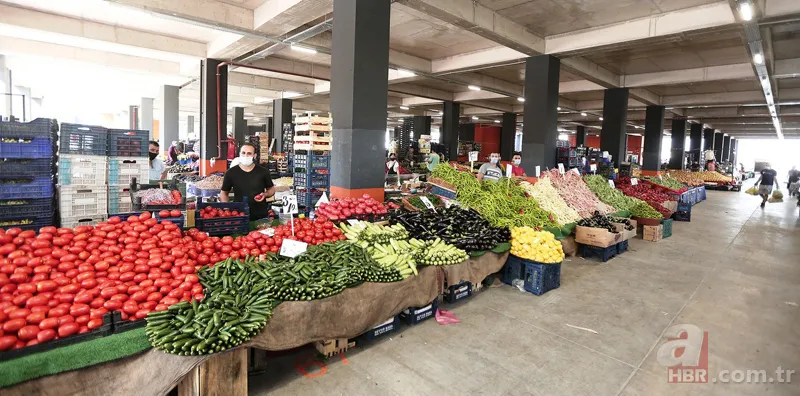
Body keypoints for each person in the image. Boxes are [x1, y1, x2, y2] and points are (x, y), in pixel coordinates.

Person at [221, 143, 276, 220]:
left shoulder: (263, 172)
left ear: (254, 155)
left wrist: (265, 194)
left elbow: (271, 189)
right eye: (243, 153)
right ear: (240, 154)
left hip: (260, 215)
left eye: (249, 153)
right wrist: (226, 210)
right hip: (239, 214)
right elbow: (224, 193)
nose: (246, 156)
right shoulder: (230, 173)